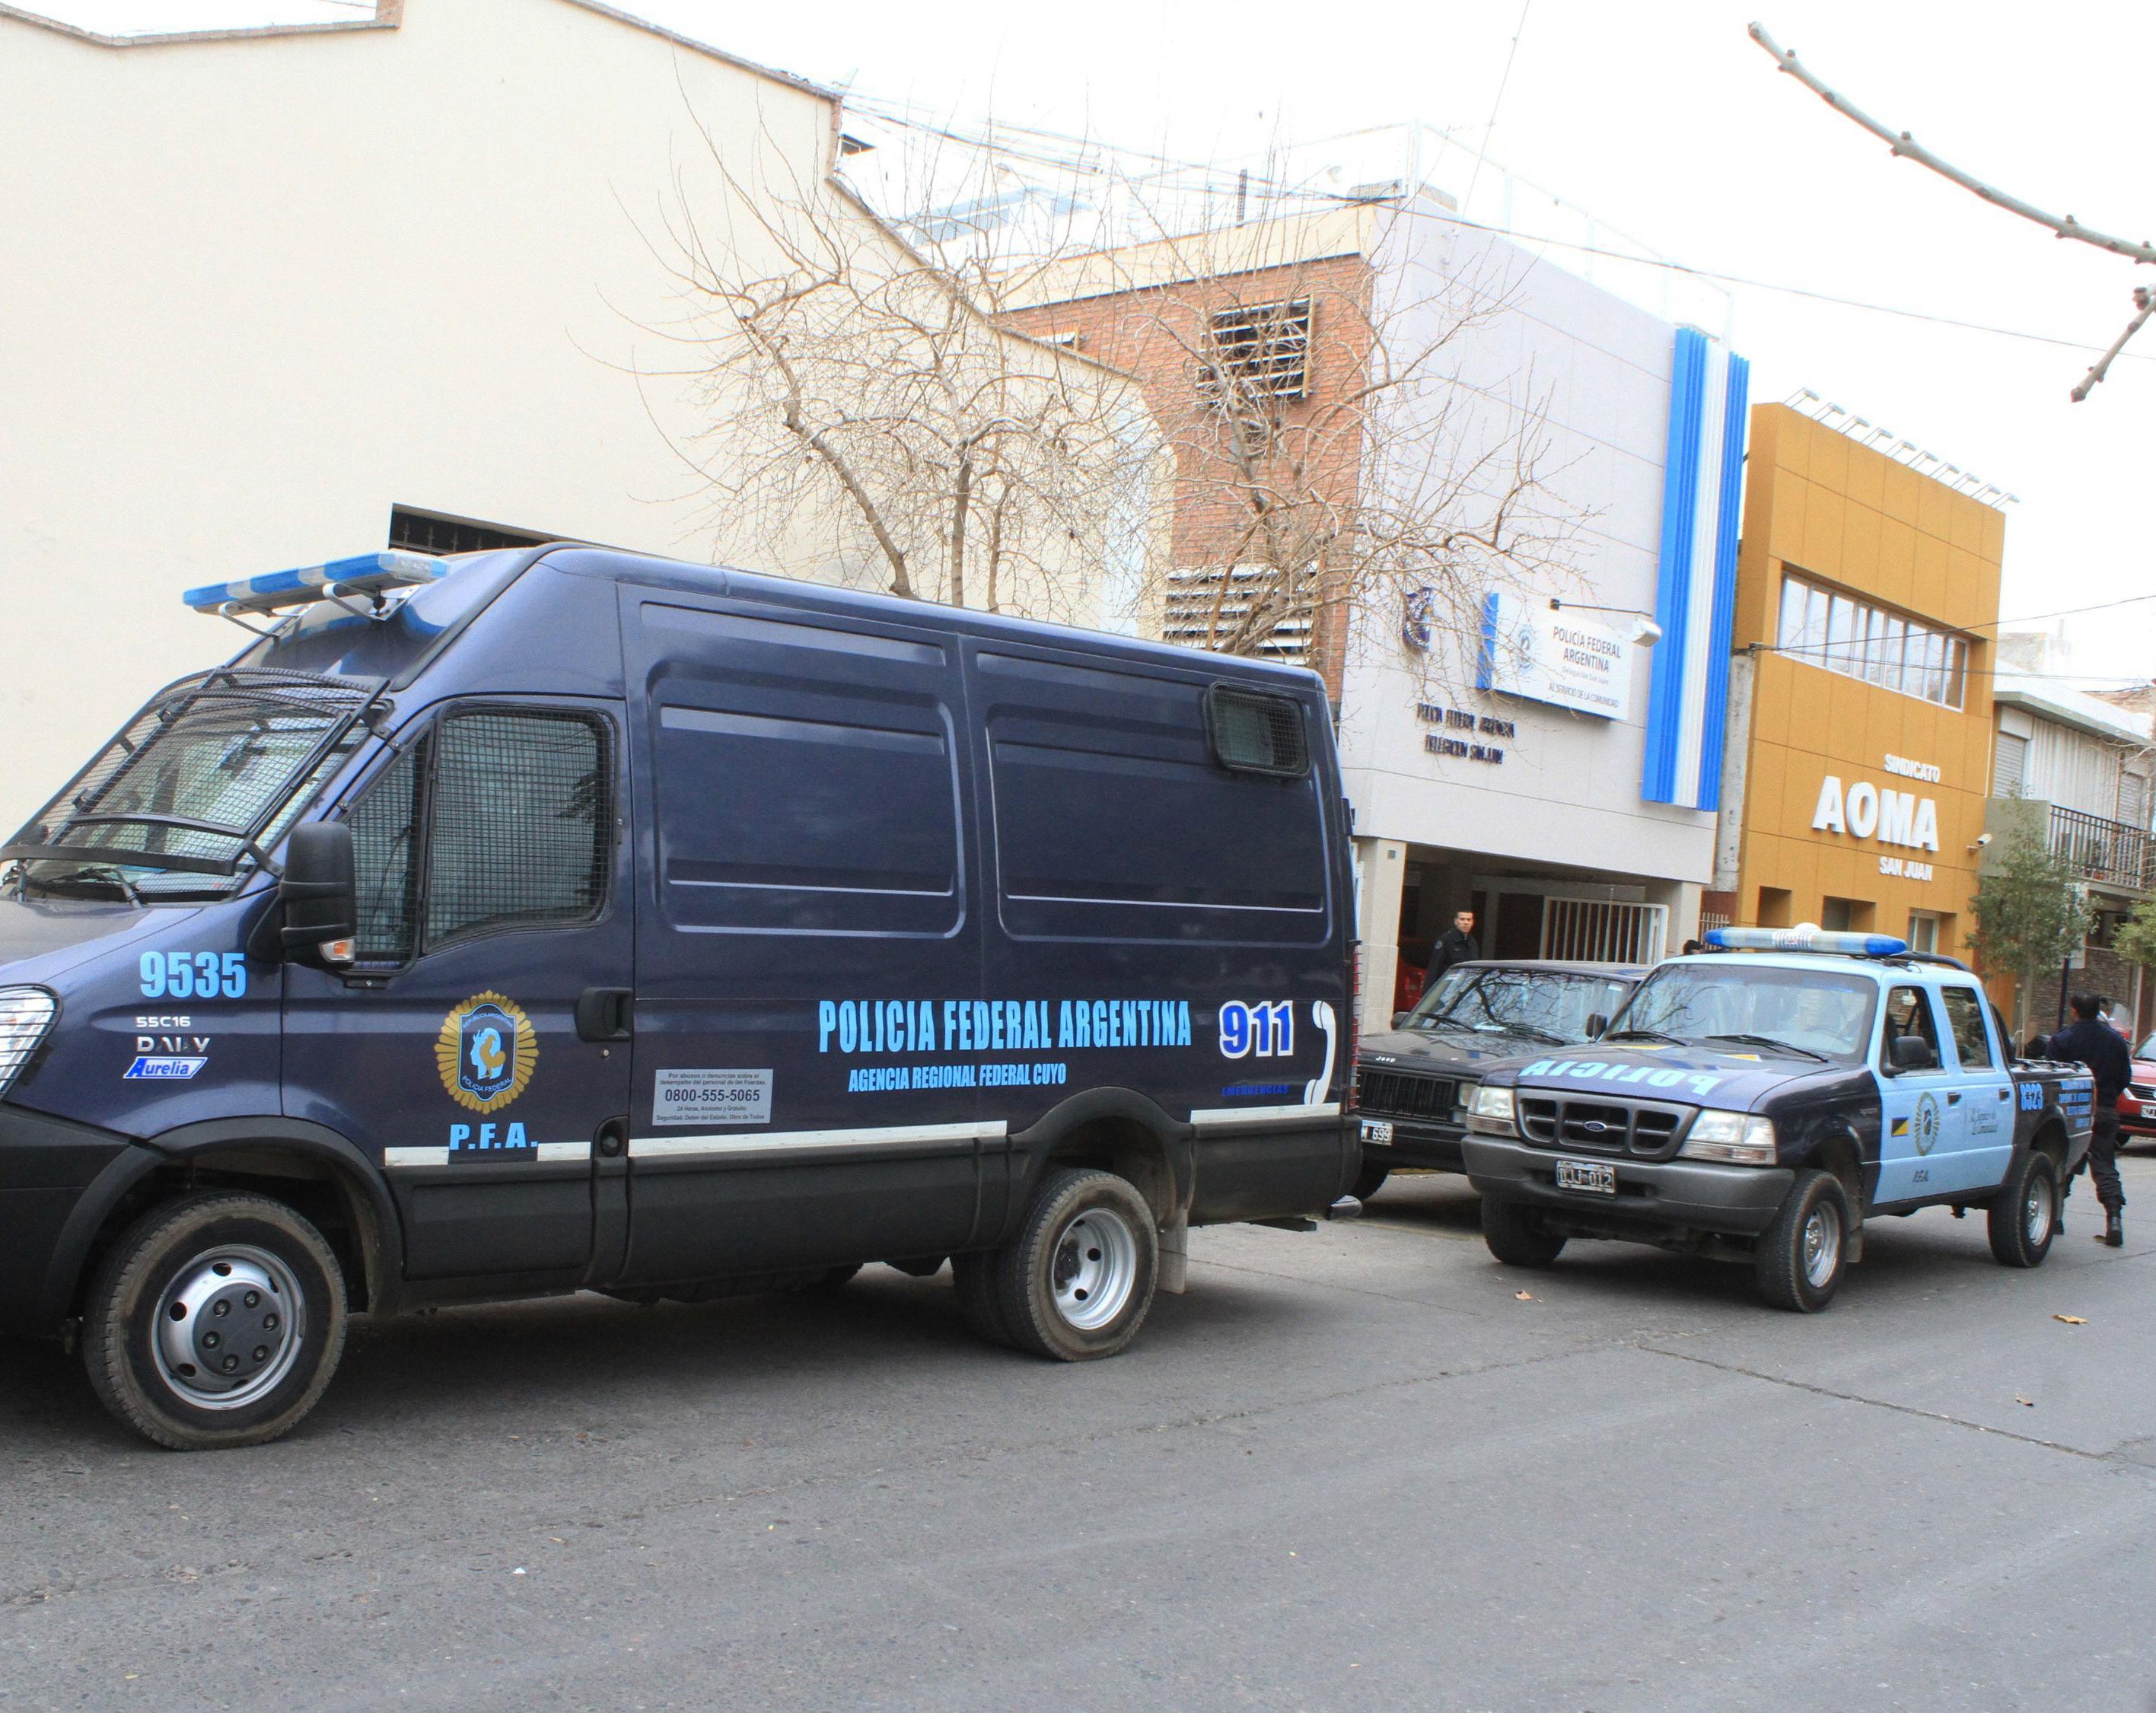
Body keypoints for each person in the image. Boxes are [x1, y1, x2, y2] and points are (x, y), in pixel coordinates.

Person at [2049, 992, 2130, 1248]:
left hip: (2070, 1111)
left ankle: (2054, 1218)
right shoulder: (2116, 1041)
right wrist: (2106, 1096)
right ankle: (2114, 1220)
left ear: (2074, 1010)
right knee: (2105, 1166)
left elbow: (2051, 1075)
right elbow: (2124, 1077)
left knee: (2062, 1162)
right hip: (2104, 1109)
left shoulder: (2063, 1039)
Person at [1419, 909, 1480, 999]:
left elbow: (1475, 969)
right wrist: (1427, 995)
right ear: (1456, 922)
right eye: (1462, 919)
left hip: (1465, 992)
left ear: (1472, 922)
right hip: (1447, 990)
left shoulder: (1472, 943)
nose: (1466, 923)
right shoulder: (1446, 940)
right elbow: (1434, 968)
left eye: (1469, 920)